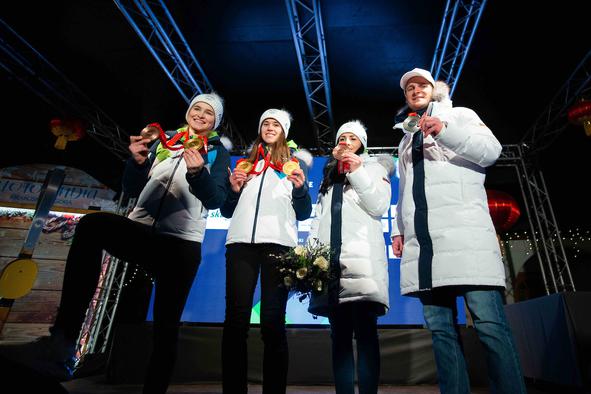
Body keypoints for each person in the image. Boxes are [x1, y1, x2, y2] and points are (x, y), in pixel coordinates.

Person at [0, 92, 231, 394]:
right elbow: (131, 188)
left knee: (166, 326)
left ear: (215, 122)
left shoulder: (215, 152)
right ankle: (63, 343)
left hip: (180, 243)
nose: (200, 114)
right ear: (188, 112)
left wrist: (198, 172)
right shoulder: (166, 141)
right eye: (196, 108)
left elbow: (216, 199)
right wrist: (136, 162)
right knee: (92, 225)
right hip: (140, 230)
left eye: (208, 113)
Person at [391, 67, 526, 394]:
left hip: (467, 241)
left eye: (422, 84)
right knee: (440, 332)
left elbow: (491, 152)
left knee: (490, 327)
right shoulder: (405, 139)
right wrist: (399, 229)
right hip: (426, 246)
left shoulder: (460, 115)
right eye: (410, 87)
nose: (415, 89)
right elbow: (405, 190)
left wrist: (446, 130)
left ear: (434, 89)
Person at [220, 108, 312, 394]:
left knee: (272, 323)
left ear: (284, 132)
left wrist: (299, 190)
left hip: (278, 244)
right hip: (240, 245)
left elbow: (304, 211)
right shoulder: (246, 165)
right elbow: (225, 211)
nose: (270, 127)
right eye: (266, 124)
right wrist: (233, 190)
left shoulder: (294, 166)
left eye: (276, 124)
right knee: (236, 323)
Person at [307, 120, 392, 394]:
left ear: (362, 145)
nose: (345, 142)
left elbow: (378, 206)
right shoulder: (329, 176)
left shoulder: (374, 168)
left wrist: (357, 171)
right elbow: (318, 220)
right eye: (341, 138)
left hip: (362, 263)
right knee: (339, 338)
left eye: (351, 138)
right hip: (330, 265)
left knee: (366, 335)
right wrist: (311, 256)